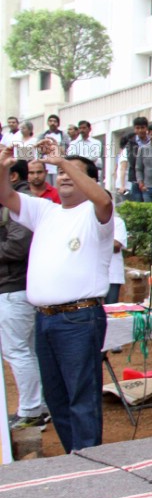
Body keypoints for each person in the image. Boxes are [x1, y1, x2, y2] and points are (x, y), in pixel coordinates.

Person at [0, 148, 113, 454]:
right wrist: (2, 167)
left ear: (90, 181)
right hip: (45, 318)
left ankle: (88, 458)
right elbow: (7, 197)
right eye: (60, 172)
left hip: (79, 317)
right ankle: (73, 457)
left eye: (72, 171)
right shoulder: (45, 211)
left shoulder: (95, 213)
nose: (63, 175)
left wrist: (63, 160)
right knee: (57, 396)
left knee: (81, 394)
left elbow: (103, 199)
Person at [0, 159, 50, 430]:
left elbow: (17, 246)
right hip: (14, 288)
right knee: (25, 351)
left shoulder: (21, 203)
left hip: (14, 289)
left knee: (18, 351)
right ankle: (38, 406)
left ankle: (31, 410)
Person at [119, 117, 150, 202]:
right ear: (134, 129)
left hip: (151, 179)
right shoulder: (130, 143)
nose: (140, 130)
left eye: (142, 127)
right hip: (135, 178)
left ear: (147, 128)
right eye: (137, 128)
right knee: (137, 203)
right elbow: (132, 162)